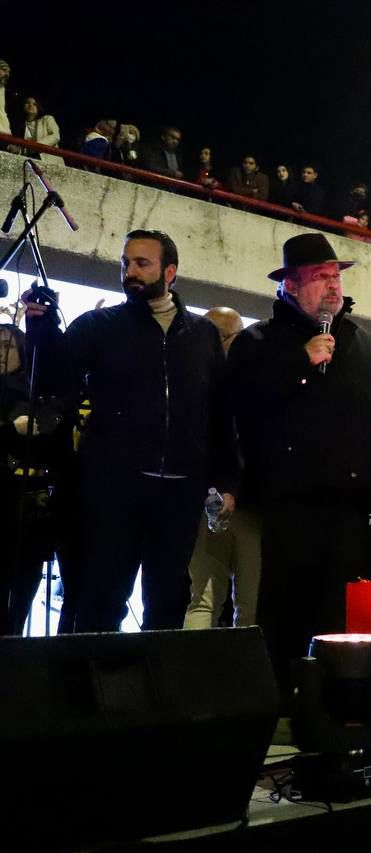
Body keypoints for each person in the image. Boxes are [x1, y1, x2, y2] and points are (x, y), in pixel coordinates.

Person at [21, 230, 236, 632]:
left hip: (179, 492)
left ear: (169, 271)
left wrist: (225, 480)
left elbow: (220, 413)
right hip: (113, 490)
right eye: (125, 263)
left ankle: (158, 689)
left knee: (169, 602)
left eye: (142, 263)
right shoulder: (99, 326)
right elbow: (54, 380)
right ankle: (96, 687)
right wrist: (43, 329)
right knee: (102, 599)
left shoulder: (203, 335)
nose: (130, 272)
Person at [227, 233, 371, 689]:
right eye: (319, 277)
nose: (332, 286)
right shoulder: (259, 342)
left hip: (351, 507)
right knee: (286, 611)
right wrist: (297, 366)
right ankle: (283, 701)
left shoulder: (364, 345)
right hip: (291, 505)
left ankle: (338, 700)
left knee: (342, 617)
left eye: (335, 276)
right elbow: (240, 405)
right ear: (289, 284)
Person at [183, 308, 262, 629]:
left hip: (207, 500)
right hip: (247, 503)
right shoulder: (254, 381)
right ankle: (242, 678)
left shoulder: (188, 381)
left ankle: (191, 679)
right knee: (249, 606)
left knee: (203, 598)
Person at [0, 323, 67, 634]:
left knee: (24, 590)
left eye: (8, 346)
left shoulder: (37, 391)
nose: (2, 353)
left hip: (32, 510)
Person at [19, 96, 62, 164]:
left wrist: (36, 146)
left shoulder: (47, 119)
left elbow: (56, 136)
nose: (30, 105)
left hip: (48, 161)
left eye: (34, 104)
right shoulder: (20, 124)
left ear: (39, 107)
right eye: (27, 103)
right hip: (28, 161)